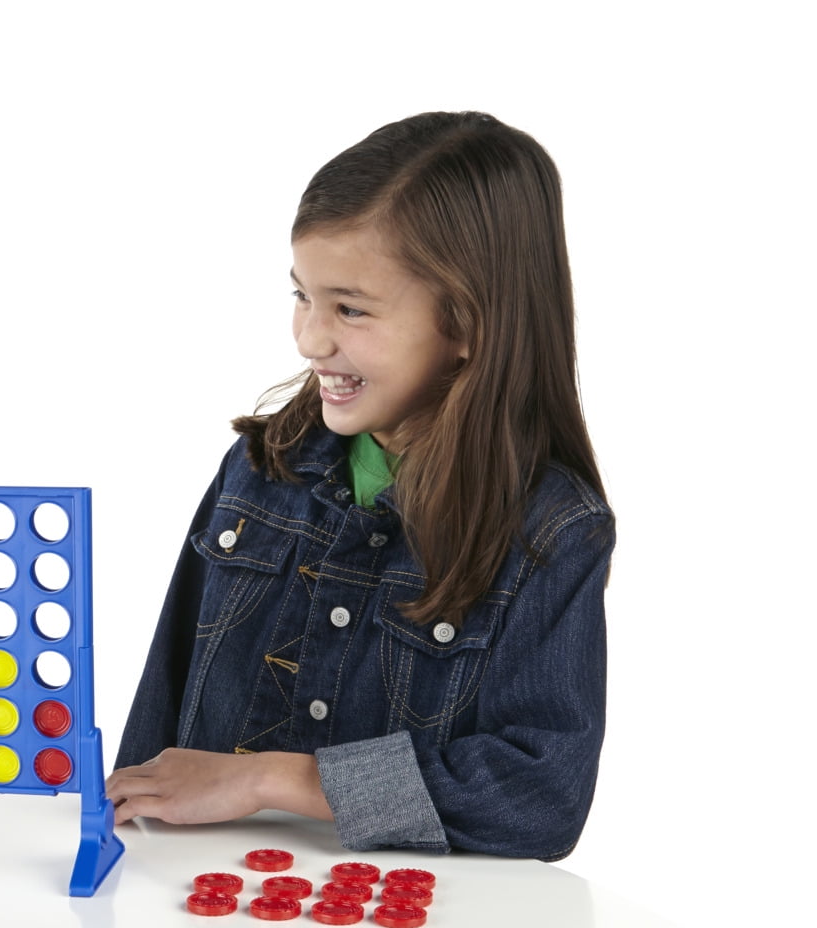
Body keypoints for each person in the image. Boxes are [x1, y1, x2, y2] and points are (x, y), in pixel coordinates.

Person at [108, 112, 612, 860]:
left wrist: (273, 779)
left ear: (467, 323)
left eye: (350, 308)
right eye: (302, 296)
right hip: (205, 926)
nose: (311, 337)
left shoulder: (550, 528)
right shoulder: (259, 469)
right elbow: (158, 729)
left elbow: (538, 794)